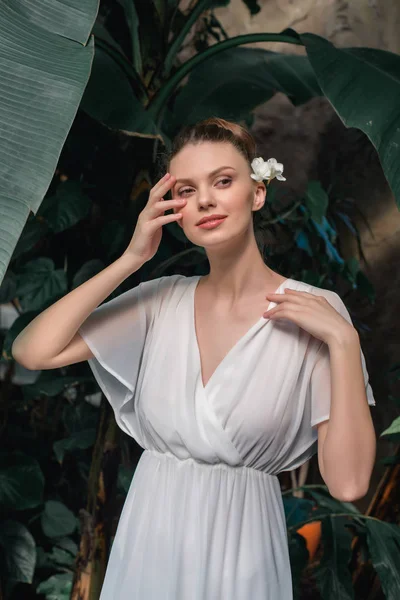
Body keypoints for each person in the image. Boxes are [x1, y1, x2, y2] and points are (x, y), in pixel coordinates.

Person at [11, 117, 376, 599]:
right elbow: (32, 351)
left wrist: (344, 343)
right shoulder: (160, 300)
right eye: (187, 189)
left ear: (258, 192)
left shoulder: (317, 312)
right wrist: (130, 260)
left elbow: (348, 485)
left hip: (243, 556)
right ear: (173, 209)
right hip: (149, 547)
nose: (205, 200)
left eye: (223, 181)